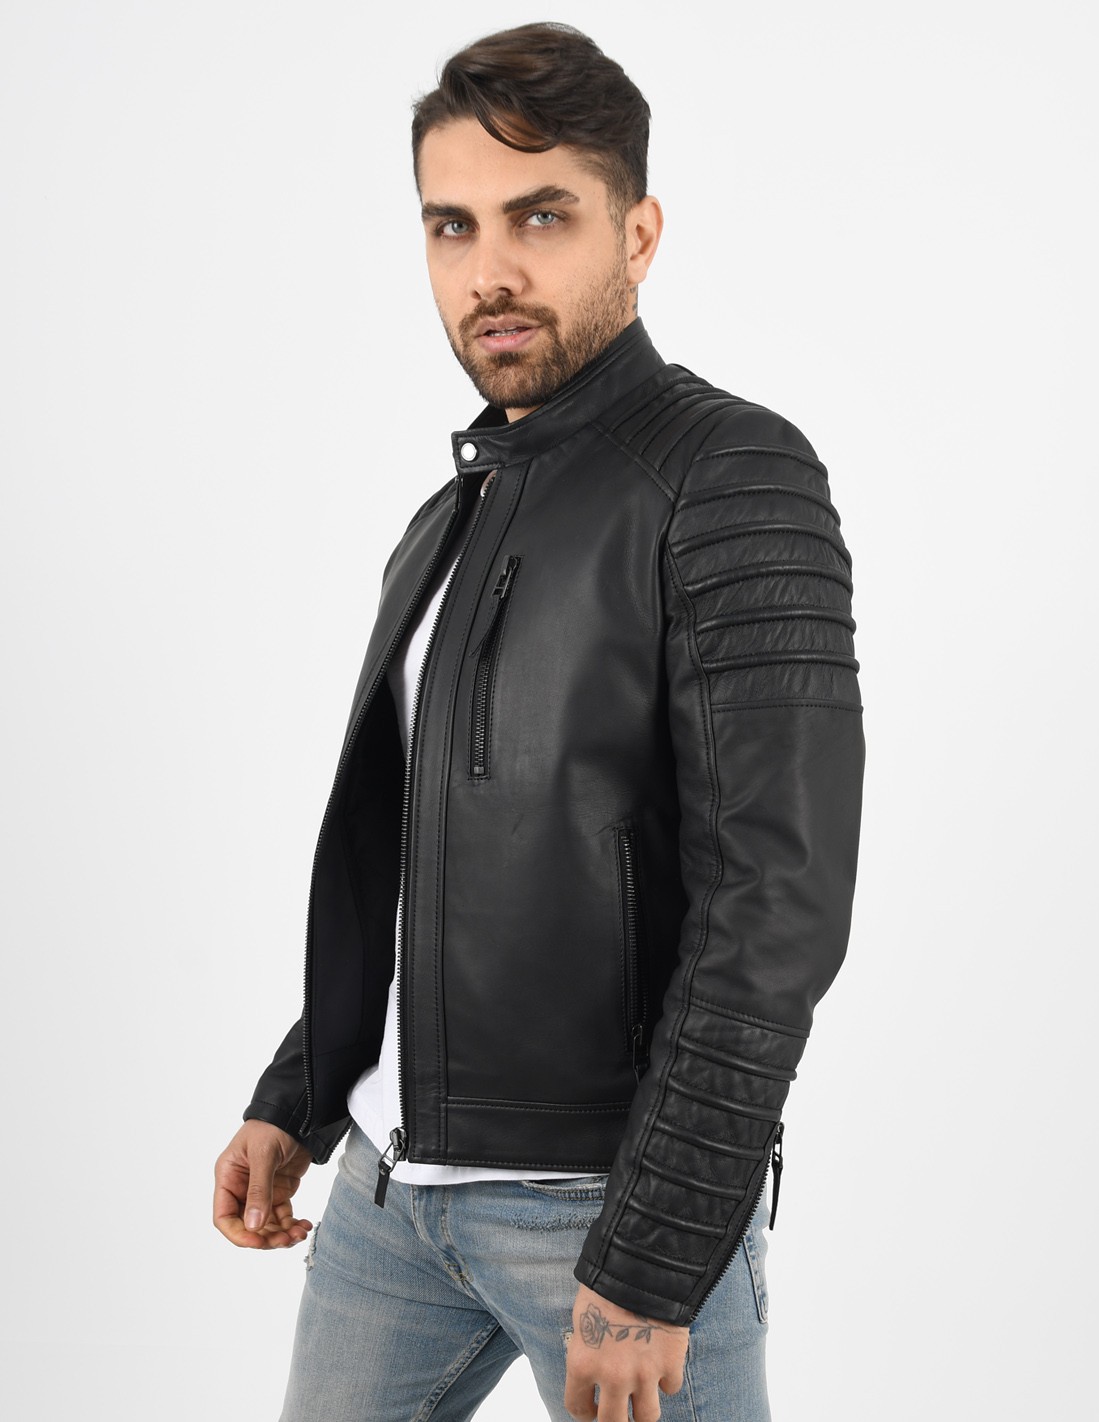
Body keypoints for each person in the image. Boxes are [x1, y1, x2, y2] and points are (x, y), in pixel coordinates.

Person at [212, 22, 864, 1422]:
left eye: (541, 216)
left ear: (639, 233)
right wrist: (300, 1092)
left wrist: (657, 1254)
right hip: (385, 1200)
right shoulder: (446, 519)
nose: (489, 269)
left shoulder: (731, 473)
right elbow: (417, 865)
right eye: (451, 224)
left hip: (604, 1211)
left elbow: (779, 902)